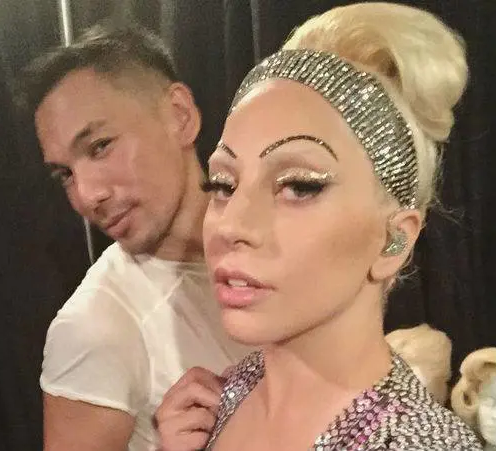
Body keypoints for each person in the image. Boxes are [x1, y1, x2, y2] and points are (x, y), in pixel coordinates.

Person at [155, 3, 484, 449]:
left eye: (298, 186)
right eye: (223, 185)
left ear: (394, 239)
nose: (230, 225)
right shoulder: (228, 393)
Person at [16, 23, 248, 451]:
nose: (87, 196)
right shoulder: (94, 327)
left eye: (100, 146)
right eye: (65, 174)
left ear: (179, 115)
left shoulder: (272, 245)